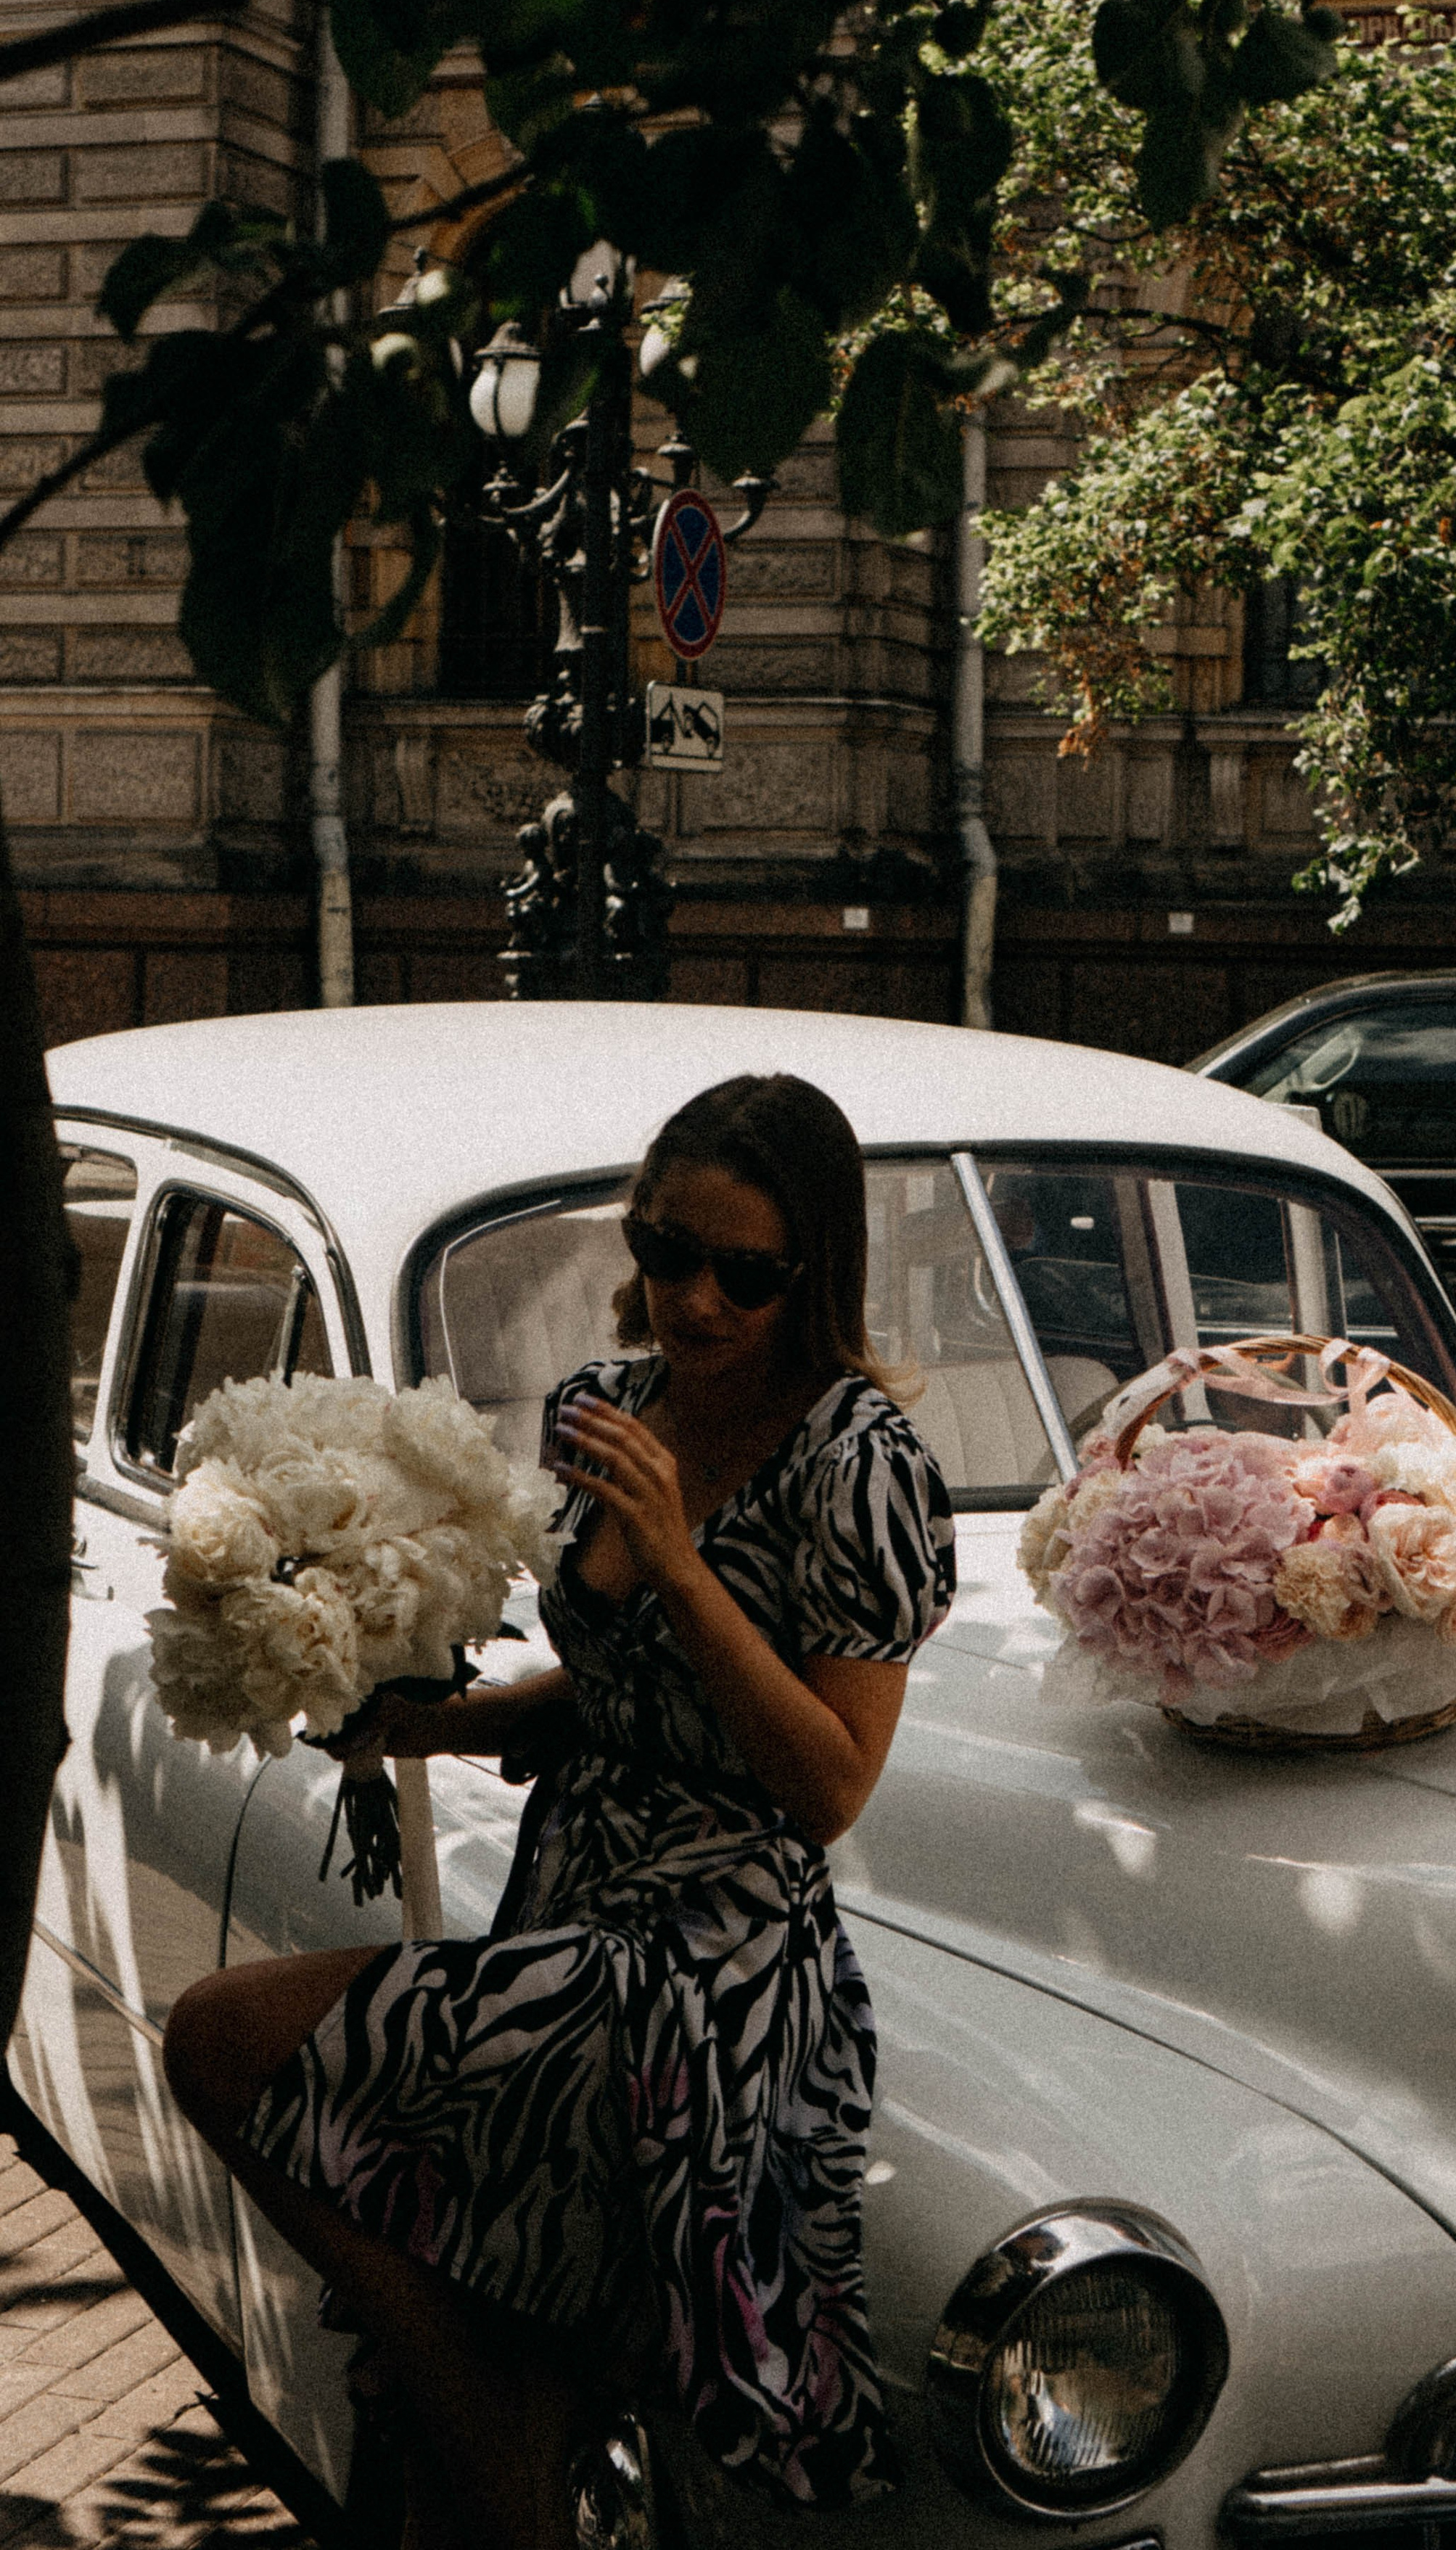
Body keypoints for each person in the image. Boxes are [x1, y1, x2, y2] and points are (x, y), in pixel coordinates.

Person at [163, 1074, 956, 2550]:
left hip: (708, 1964)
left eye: (744, 1272)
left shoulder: (859, 1464)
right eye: (668, 1251)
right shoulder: (607, 1405)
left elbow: (829, 1785)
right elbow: (613, 1686)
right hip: (569, 1900)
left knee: (219, 2038)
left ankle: (484, 2425)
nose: (696, 1299)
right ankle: (489, 2425)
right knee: (490, 2340)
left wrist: (680, 1558)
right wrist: (424, 1719)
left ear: (814, 1275)